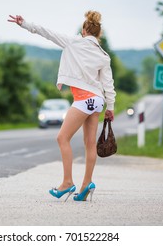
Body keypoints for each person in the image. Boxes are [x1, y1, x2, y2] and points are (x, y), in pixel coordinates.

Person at [8, 11, 116, 202]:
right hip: (98, 100)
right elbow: (108, 84)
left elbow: (47, 32)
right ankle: (86, 184)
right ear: (98, 34)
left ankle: (67, 182)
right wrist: (111, 107)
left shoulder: (74, 42)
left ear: (84, 31)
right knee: (90, 144)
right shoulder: (103, 55)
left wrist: (24, 24)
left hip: (84, 99)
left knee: (62, 138)